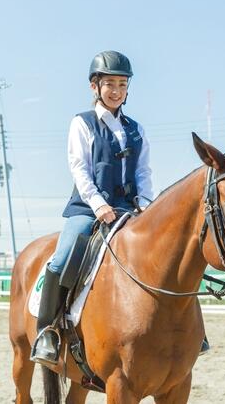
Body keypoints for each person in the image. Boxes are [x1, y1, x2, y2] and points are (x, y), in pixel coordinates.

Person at [31, 50, 154, 365]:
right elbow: (79, 168)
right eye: (110, 83)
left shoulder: (137, 129)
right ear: (95, 86)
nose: (116, 90)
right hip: (88, 208)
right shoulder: (81, 123)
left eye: (122, 85)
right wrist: (98, 205)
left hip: (129, 209)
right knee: (61, 259)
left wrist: (146, 205)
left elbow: (143, 172)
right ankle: (48, 332)